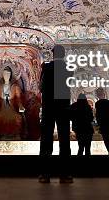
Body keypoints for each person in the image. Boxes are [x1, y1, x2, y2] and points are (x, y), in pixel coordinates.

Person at [38, 45, 73, 184]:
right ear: (63, 55)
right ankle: (65, 174)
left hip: (48, 106)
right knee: (64, 140)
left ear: (52, 55)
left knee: (46, 139)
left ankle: (45, 174)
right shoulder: (68, 68)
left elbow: (41, 87)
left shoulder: (46, 68)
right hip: (63, 106)